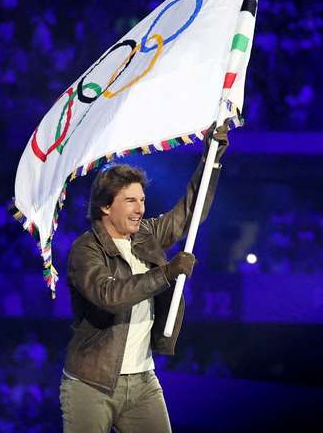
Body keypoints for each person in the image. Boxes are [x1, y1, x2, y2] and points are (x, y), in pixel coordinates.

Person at [59, 123, 229, 432]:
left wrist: (211, 159)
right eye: (130, 201)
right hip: (91, 385)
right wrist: (166, 273)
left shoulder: (146, 234)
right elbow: (108, 296)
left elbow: (188, 213)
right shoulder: (85, 250)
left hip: (143, 383)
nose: (140, 209)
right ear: (105, 206)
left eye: (142, 200)